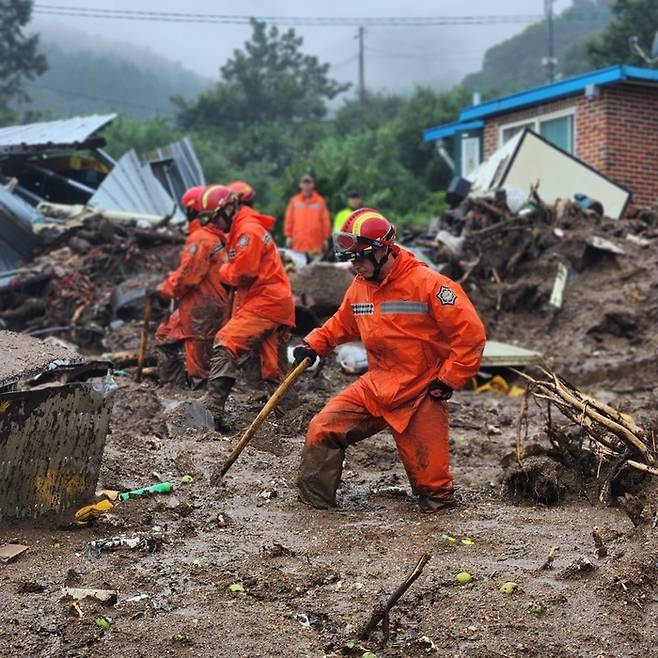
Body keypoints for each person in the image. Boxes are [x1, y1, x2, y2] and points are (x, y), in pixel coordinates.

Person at [292, 208, 486, 512]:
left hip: (421, 391)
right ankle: (313, 507)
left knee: (434, 492)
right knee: (322, 429)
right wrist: (314, 344)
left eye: (359, 257)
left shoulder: (429, 285)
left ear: (381, 250)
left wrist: (449, 379)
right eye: (351, 259)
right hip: (377, 384)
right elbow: (342, 323)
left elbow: (470, 335)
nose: (355, 265)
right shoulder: (360, 286)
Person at [199, 186, 295, 430]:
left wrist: (223, 271)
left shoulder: (247, 231)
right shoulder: (245, 228)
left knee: (225, 341)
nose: (217, 225)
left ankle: (212, 411)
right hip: (274, 302)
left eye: (217, 218)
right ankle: (288, 418)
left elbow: (244, 272)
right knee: (273, 367)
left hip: (265, 302)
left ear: (228, 209)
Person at [155, 185, 230, 387]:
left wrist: (164, 290)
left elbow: (187, 278)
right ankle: (175, 388)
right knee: (165, 337)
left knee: (199, 361)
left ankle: (189, 394)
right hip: (209, 303)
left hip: (200, 307)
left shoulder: (202, 239)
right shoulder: (217, 238)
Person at [284, 173, 331, 255]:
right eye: (304, 183)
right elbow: (289, 219)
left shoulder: (320, 201)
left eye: (309, 182)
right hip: (298, 243)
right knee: (299, 266)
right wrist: (288, 236)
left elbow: (325, 221)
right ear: (300, 185)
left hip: (315, 243)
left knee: (315, 267)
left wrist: (325, 238)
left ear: (313, 185)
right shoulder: (294, 201)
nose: (307, 185)